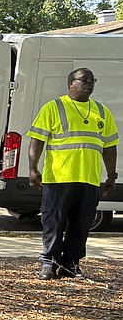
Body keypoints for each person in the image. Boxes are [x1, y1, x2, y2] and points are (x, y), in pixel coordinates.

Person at [28, 69, 118, 279]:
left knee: (81, 225)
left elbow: (110, 147)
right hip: (59, 178)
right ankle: (49, 263)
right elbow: (36, 141)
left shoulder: (102, 111)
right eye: (84, 79)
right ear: (70, 83)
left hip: (89, 179)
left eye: (92, 80)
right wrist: (33, 168)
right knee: (54, 222)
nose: (89, 83)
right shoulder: (53, 107)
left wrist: (111, 175)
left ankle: (70, 263)